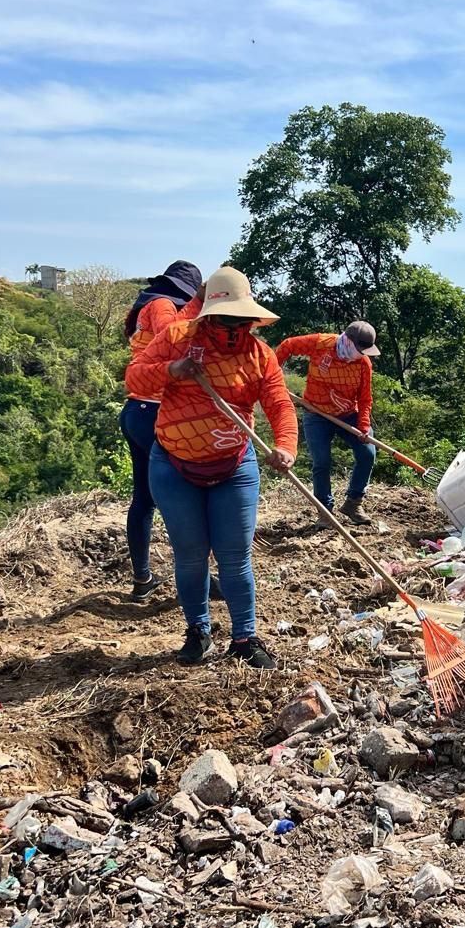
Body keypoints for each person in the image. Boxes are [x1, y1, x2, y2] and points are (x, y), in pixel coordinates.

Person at [124, 266, 297, 669]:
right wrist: (172, 370)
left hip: (235, 466)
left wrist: (285, 446)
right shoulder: (176, 339)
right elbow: (134, 380)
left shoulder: (259, 355)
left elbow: (279, 405)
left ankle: (245, 637)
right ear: (208, 313)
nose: (233, 327)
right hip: (173, 466)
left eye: (241, 318)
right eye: (225, 318)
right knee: (190, 555)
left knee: (235, 557)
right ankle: (198, 632)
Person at [119, 261, 203, 601]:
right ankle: (199, 580)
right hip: (156, 412)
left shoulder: (145, 308)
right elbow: (174, 335)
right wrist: (200, 304)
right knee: (185, 500)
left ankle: (142, 580)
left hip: (137, 410)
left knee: (145, 498)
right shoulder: (163, 306)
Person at [275, 322, 380, 527]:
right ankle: (325, 511)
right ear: (347, 341)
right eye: (358, 350)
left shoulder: (363, 364)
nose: (360, 355)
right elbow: (287, 345)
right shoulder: (321, 344)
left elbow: (365, 398)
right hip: (315, 414)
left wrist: (364, 425)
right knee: (321, 462)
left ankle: (353, 503)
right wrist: (273, 375)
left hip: (348, 414)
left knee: (367, 453)